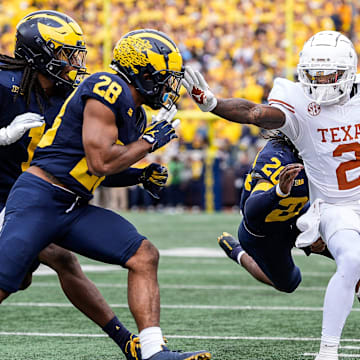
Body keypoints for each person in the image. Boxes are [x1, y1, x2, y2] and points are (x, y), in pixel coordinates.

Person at [0, 28, 211, 360]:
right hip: (39, 199)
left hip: (72, 205)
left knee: (144, 255)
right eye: (162, 78)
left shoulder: (135, 112)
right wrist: (148, 143)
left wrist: (141, 174)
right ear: (141, 72)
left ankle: (153, 352)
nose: (167, 86)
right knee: (7, 280)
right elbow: (99, 161)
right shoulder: (107, 87)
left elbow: (96, 170)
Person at [183, 30, 360, 360]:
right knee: (290, 281)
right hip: (267, 228)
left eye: (327, 76)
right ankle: (238, 253)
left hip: (310, 215)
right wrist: (212, 103)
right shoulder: (281, 144)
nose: (319, 83)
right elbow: (255, 114)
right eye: (313, 75)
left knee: (353, 265)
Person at [0, 10, 152, 359]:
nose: (72, 63)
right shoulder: (2, 84)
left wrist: (138, 173)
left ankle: (127, 342)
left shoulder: (69, 97)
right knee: (28, 270)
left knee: (54, 263)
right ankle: (127, 342)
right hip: (10, 193)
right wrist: (3, 136)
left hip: (30, 195)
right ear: (39, 52)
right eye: (64, 53)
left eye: (74, 54)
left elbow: (86, 163)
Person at [217, 132, 332, 292]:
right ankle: (238, 253)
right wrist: (278, 191)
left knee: (350, 249)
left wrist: (318, 225)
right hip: (263, 234)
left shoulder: (325, 154)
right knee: (289, 283)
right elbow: (251, 210)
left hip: (298, 215)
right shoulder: (276, 157)